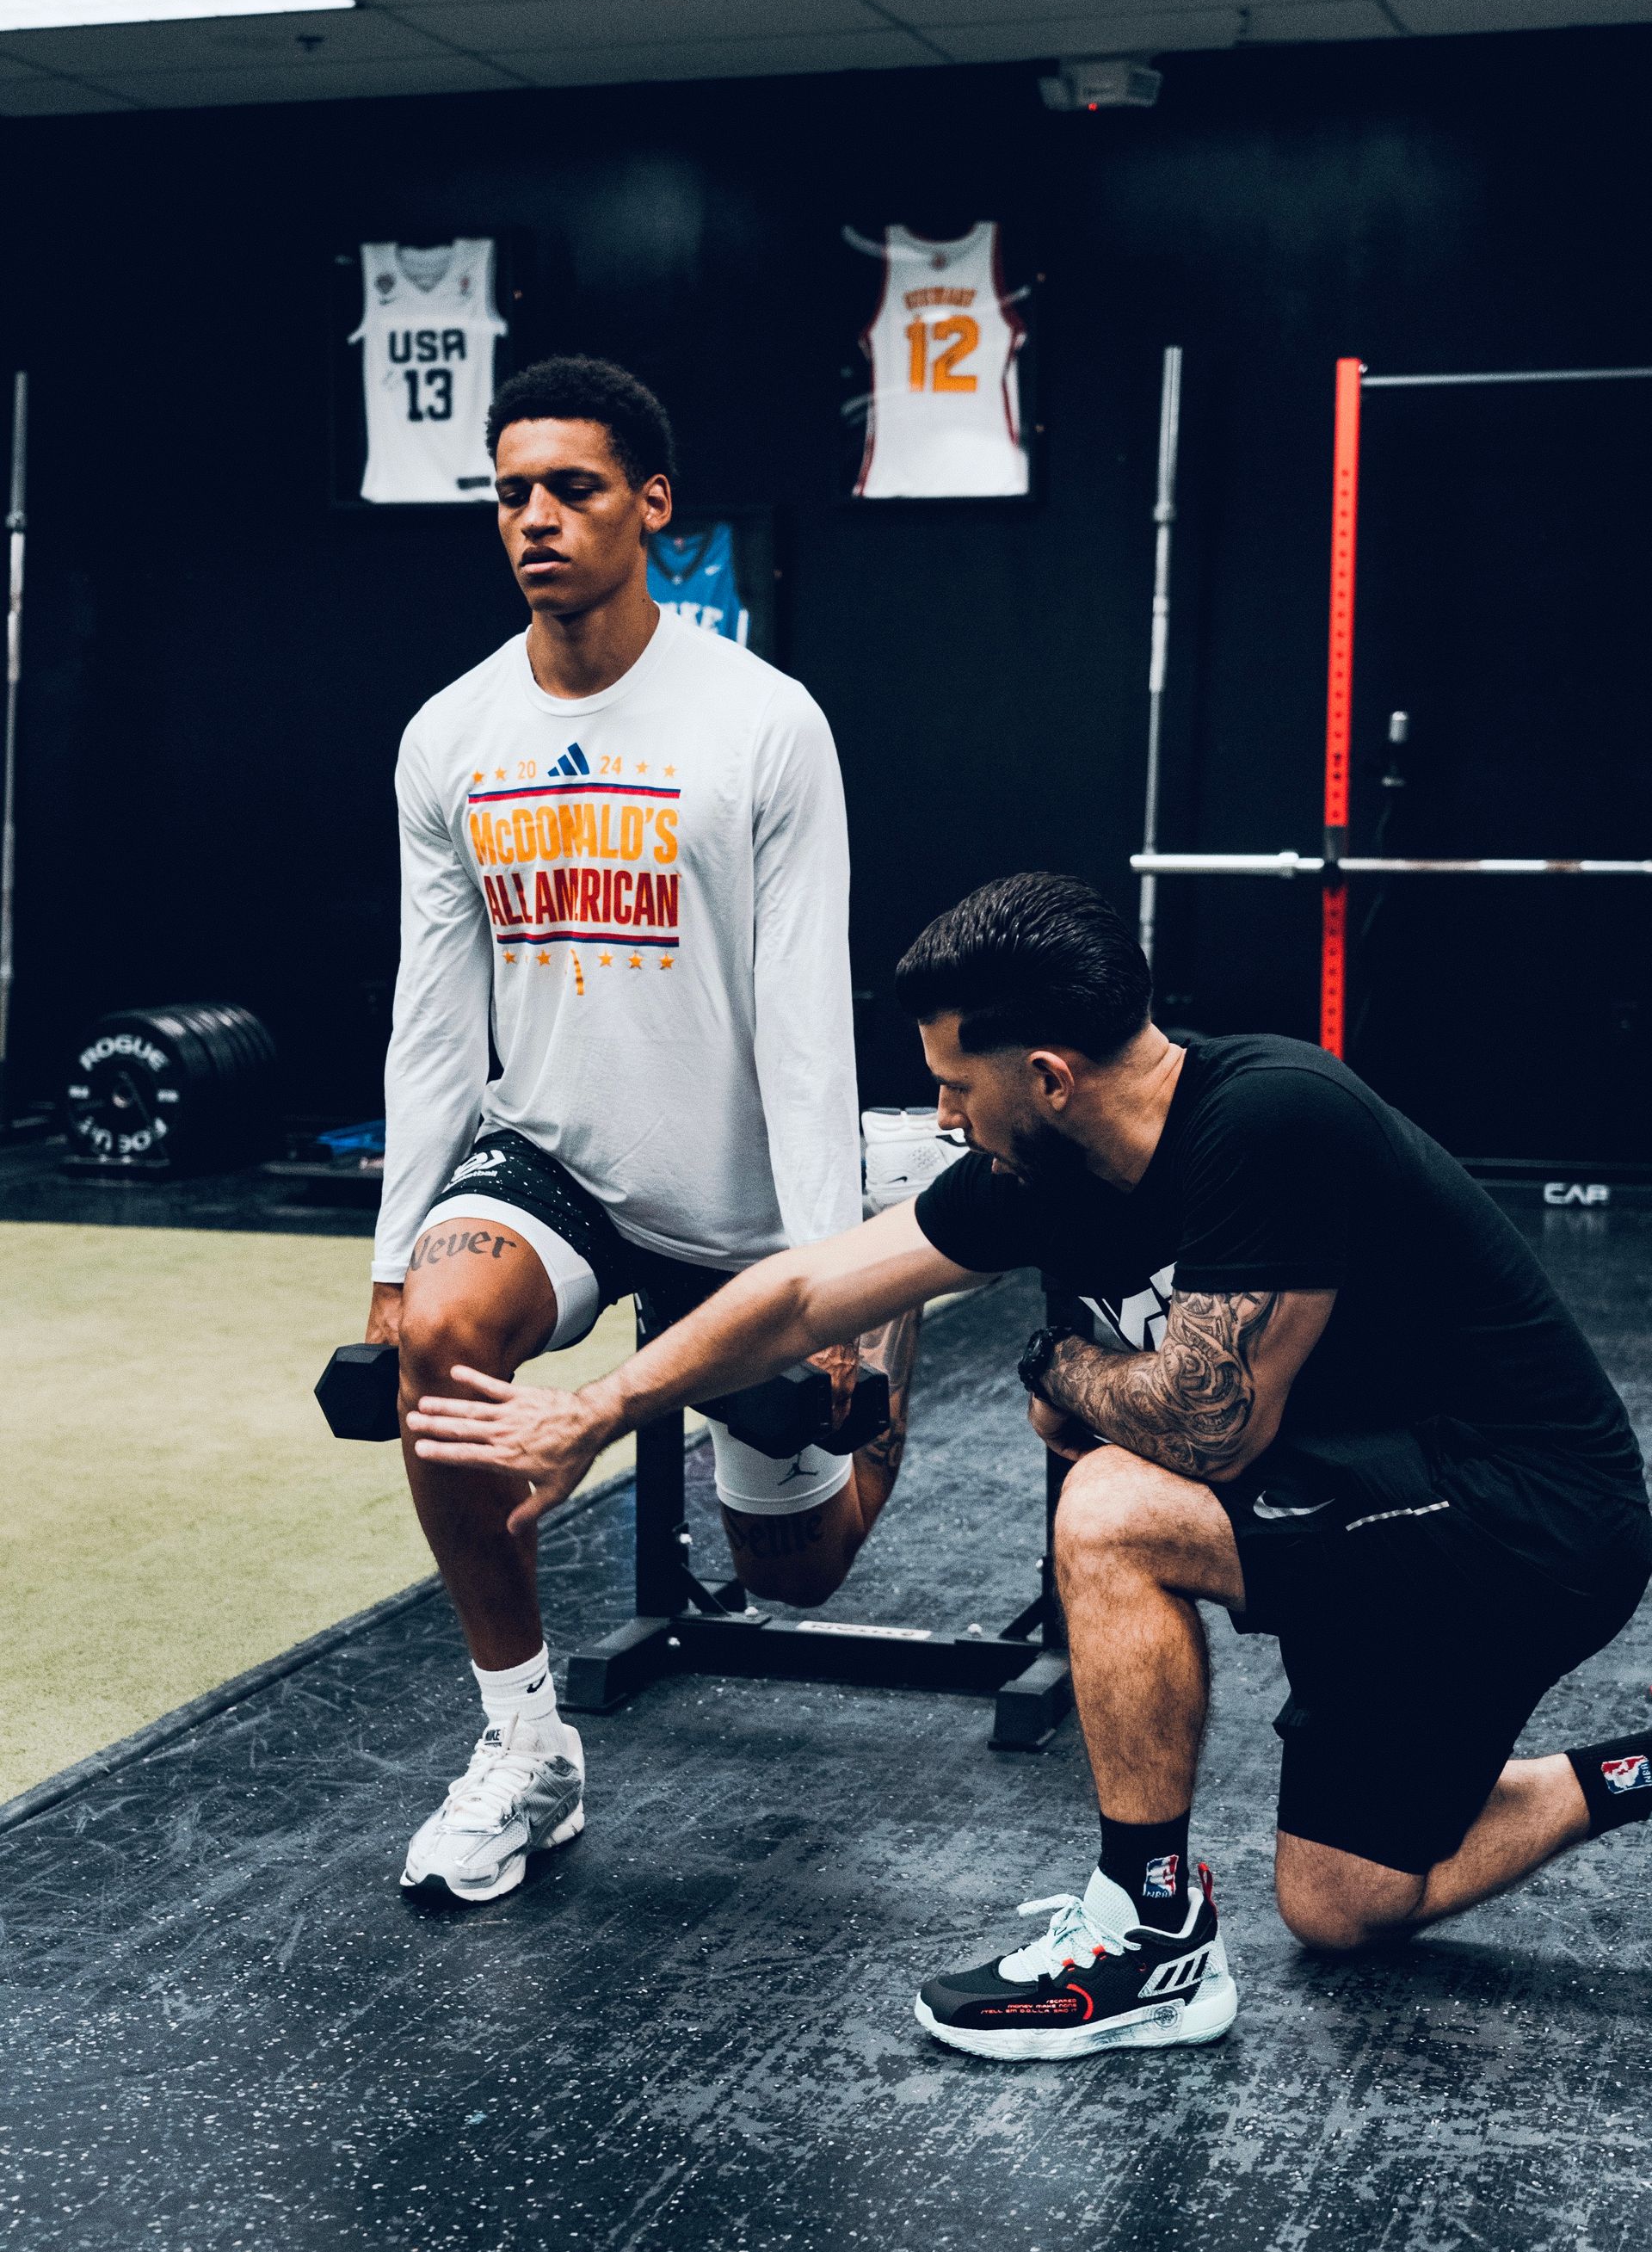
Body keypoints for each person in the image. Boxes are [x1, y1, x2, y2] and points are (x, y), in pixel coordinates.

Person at [408, 870, 1652, 2059]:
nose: (945, 1115)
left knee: (1114, 1510)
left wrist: (1066, 1375)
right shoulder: (1049, 1171)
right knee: (1343, 1903)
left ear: (1047, 1075)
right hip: (1368, 1512)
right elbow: (799, 1293)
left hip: (1525, 1517)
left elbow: (1212, 1428)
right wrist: (599, 1410)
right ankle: (1639, 1768)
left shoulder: (1272, 1119)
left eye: (955, 1084)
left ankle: (1149, 1936)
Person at [371, 353, 920, 1906]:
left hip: (739, 1207)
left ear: (653, 510)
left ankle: (902, 1326)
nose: (536, 518)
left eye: (574, 489)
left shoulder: (761, 724)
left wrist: (838, 1292)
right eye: (512, 492)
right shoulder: (450, 736)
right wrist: (395, 1258)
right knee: (447, 1344)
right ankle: (524, 1744)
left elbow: (812, 1024)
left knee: (786, 1578)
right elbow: (430, 1016)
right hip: (554, 1165)